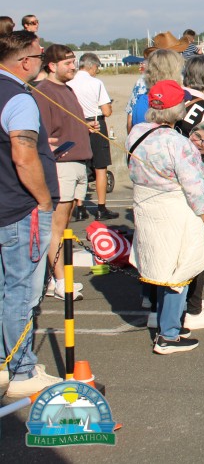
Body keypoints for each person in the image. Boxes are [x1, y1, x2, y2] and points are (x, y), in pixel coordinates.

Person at [128, 80, 204, 354]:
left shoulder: (137, 132)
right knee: (181, 268)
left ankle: (163, 320)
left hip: (146, 206)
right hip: (174, 209)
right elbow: (195, 187)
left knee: (157, 263)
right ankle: (169, 334)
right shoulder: (179, 143)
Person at [0, 30, 62, 399]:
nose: (42, 61)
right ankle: (21, 369)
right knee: (22, 292)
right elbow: (23, 157)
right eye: (39, 56)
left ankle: (5, 362)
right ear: (25, 62)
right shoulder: (19, 98)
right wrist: (43, 200)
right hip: (19, 207)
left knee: (6, 290)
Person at [32, 45, 92, 301]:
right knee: (55, 226)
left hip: (78, 163)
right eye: (67, 63)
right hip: (61, 165)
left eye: (73, 61)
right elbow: (41, 134)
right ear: (51, 66)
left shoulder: (67, 89)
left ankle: (52, 278)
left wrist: (85, 127)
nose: (73, 66)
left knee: (65, 224)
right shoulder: (42, 91)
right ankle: (59, 281)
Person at [67, 52, 117, 222]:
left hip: (76, 124)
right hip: (96, 123)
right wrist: (109, 107)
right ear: (92, 66)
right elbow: (106, 111)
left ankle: (80, 207)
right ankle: (101, 207)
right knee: (100, 167)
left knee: (80, 165)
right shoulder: (96, 83)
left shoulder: (69, 83)